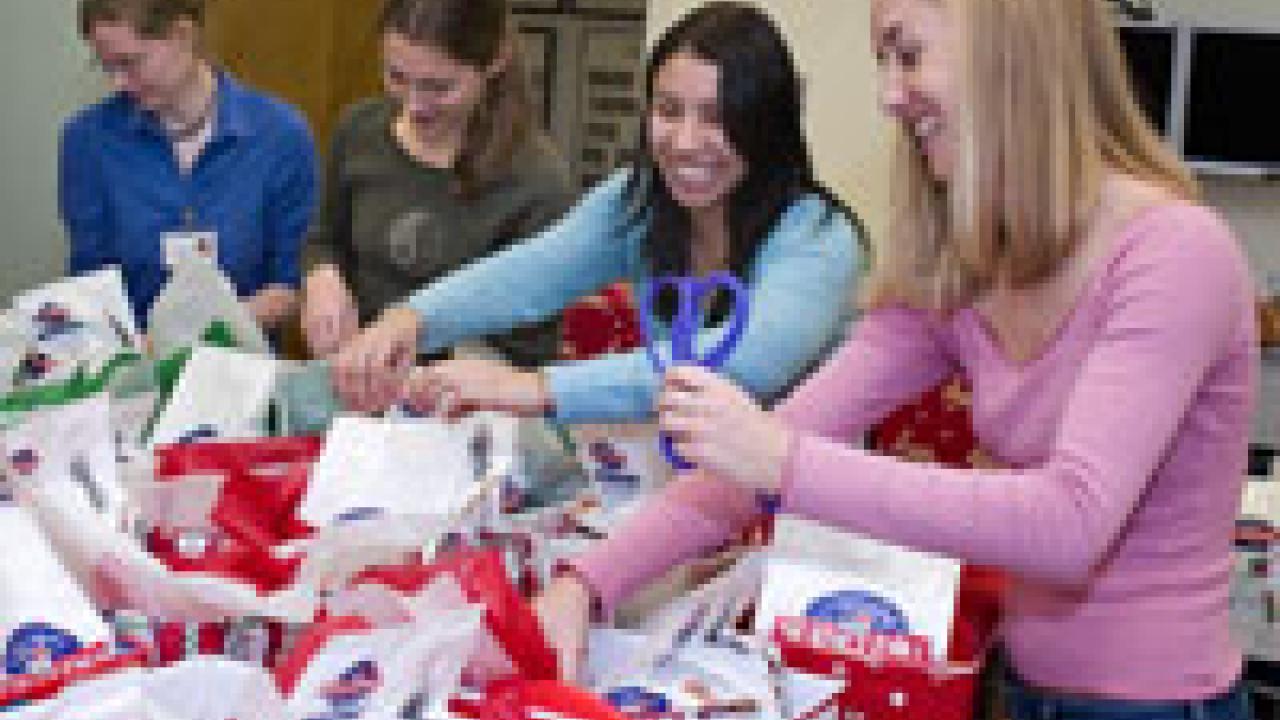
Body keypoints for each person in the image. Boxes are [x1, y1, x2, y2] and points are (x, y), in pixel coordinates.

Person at [536, 1, 1258, 718]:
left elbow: (1069, 526)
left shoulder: (1174, 253)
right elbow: (754, 461)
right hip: (1023, 691)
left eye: (906, 56)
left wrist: (782, 461)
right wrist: (585, 583)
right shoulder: (965, 269)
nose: (887, 96)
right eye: (883, 62)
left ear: (1008, 51)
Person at [332, 1, 864, 424]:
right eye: (668, 111)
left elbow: (749, 364)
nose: (684, 141)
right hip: (684, 494)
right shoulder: (637, 202)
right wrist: (412, 319)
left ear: (767, 126)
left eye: (718, 118)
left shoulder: (820, 238)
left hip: (803, 522)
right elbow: (531, 273)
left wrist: (534, 389)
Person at [302, 0, 575, 368]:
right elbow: (323, 239)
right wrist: (322, 279)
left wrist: (419, 374)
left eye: (439, 87)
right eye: (396, 77)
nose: (414, 106)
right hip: (354, 382)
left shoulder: (538, 183)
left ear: (494, 62)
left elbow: (528, 350)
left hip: (469, 403)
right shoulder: (359, 130)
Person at [60, 0, 317, 330]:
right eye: (106, 66)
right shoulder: (88, 141)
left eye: (130, 63)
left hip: (243, 366)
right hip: (135, 367)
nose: (118, 83)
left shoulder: (280, 134)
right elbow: (91, 282)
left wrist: (202, 328)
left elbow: (293, 285)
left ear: (184, 34)